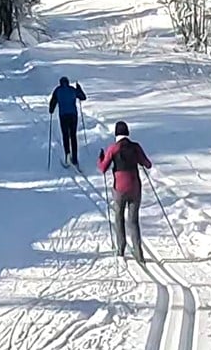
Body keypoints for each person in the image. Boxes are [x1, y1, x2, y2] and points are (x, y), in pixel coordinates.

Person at [96, 121, 152, 261]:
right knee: (133, 221)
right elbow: (148, 164)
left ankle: (121, 248)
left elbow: (103, 168)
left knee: (119, 218)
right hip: (135, 188)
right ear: (127, 133)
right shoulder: (135, 147)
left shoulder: (113, 148)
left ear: (116, 134)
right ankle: (138, 252)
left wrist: (100, 159)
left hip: (119, 188)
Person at [46, 76, 87, 165]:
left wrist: (51, 110)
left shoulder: (58, 90)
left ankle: (67, 155)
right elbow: (83, 97)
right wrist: (79, 89)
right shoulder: (72, 89)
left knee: (65, 135)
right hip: (73, 115)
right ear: (68, 82)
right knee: (73, 136)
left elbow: (53, 102)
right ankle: (75, 158)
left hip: (63, 116)